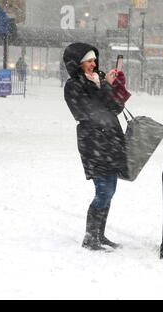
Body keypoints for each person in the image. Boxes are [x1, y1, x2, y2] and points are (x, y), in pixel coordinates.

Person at [63, 42, 130, 251]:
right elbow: (87, 111)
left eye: (94, 60)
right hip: (93, 141)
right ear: (78, 64)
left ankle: (99, 235)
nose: (93, 64)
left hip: (110, 138)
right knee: (103, 191)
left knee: (110, 190)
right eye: (88, 61)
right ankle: (90, 237)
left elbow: (115, 108)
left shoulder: (100, 80)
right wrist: (104, 87)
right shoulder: (73, 85)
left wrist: (114, 85)